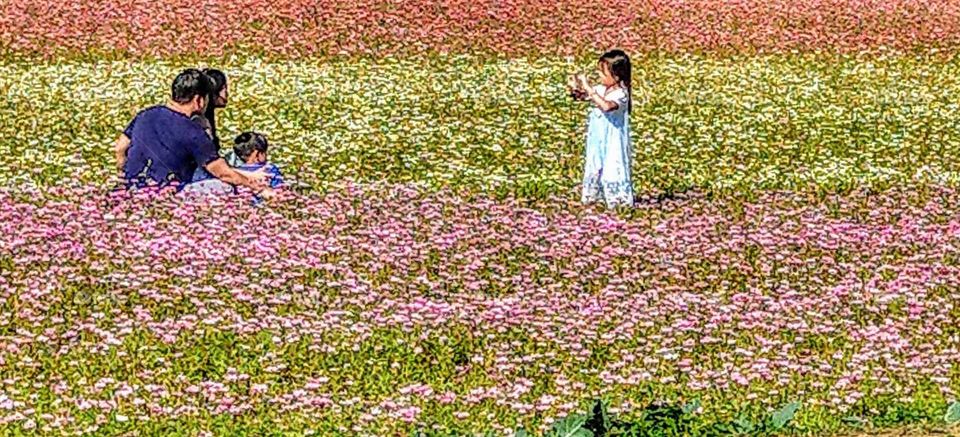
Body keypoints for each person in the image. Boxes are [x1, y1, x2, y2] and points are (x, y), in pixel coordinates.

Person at [113, 69, 272, 197]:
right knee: (224, 188)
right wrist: (255, 186)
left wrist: (124, 174)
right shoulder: (193, 131)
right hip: (166, 193)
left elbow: (120, 147)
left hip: (131, 188)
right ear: (199, 100)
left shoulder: (145, 114)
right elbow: (223, 174)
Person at [568, 49, 635, 208]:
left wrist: (587, 87)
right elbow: (583, 97)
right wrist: (574, 89)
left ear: (616, 76)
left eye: (603, 73)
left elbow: (606, 106)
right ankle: (594, 197)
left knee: (614, 164)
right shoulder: (600, 89)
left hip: (612, 138)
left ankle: (618, 200)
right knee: (595, 162)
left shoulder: (621, 94)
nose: (599, 75)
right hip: (597, 136)